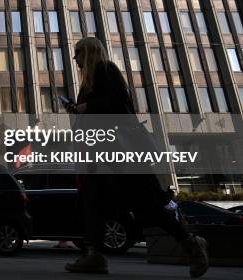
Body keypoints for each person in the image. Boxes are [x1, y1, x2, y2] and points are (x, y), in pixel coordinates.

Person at [63, 37, 208, 278]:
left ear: (89, 52)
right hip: (101, 155)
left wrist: (86, 108)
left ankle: (191, 243)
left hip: (121, 154)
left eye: (78, 52)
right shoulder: (88, 81)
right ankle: (95, 255)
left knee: (146, 205)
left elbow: (118, 105)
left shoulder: (106, 70)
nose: (74, 57)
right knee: (92, 203)